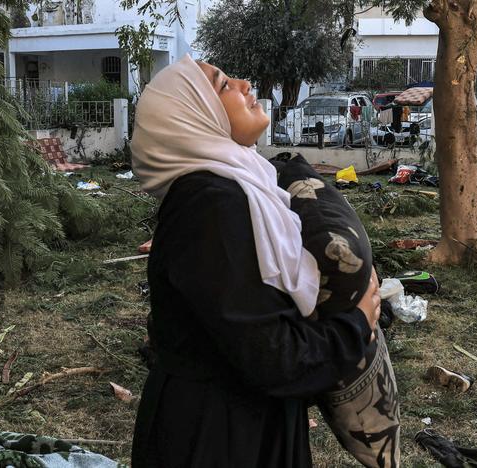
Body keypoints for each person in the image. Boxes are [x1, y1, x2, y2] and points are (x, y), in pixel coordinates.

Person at [130, 55, 381, 468]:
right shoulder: (210, 205)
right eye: (222, 84)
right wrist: (356, 326)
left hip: (241, 422)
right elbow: (271, 356)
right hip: (219, 438)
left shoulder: (237, 188)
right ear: (195, 114)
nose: (245, 84)